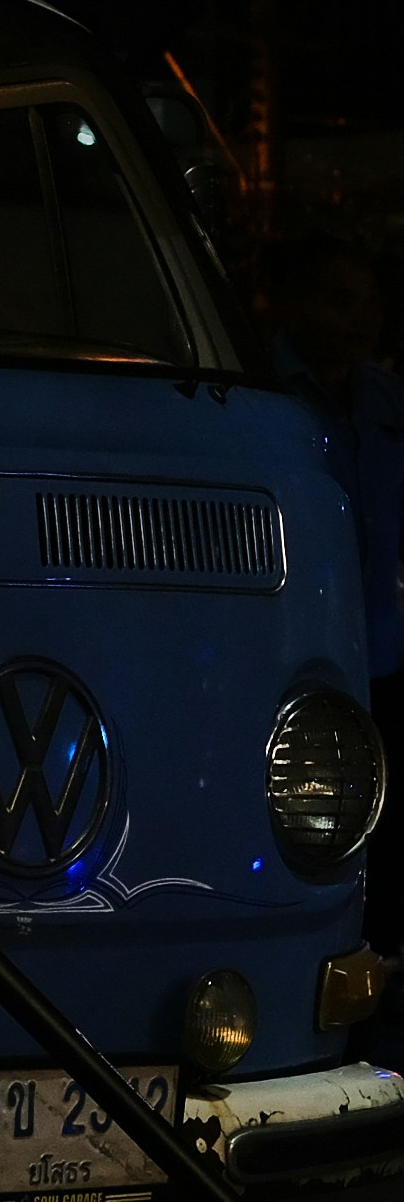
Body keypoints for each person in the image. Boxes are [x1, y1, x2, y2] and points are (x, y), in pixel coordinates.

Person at [264, 235, 404, 981]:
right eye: (339, 301)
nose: (361, 320)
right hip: (293, 645)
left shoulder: (383, 400)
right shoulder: (259, 390)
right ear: (294, 303)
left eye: (370, 302)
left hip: (381, 645)